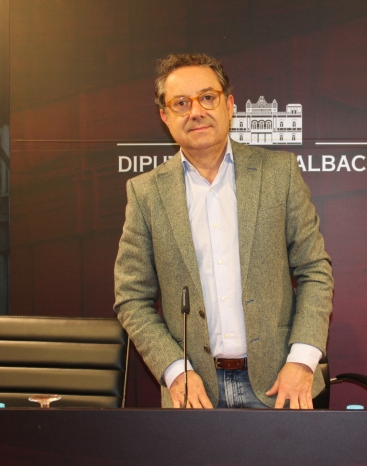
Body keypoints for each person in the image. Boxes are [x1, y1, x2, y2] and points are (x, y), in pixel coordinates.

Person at [113, 53, 333, 409]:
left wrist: (303, 359)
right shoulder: (145, 193)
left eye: (207, 97)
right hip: (194, 394)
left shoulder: (279, 173)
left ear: (229, 105)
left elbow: (314, 270)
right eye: (180, 103)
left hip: (280, 386)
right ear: (165, 117)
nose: (196, 111)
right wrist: (175, 371)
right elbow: (131, 297)